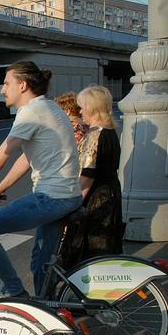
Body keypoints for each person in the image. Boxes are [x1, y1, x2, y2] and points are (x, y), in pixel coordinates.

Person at [0, 61, 82, 297]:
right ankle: (47, 311)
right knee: (41, 263)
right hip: (68, 195)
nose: (2, 90)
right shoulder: (48, 106)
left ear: (23, 85)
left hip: (52, 198)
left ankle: (15, 297)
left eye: (6, 83)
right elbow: (26, 160)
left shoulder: (31, 112)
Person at [64, 85, 125, 263]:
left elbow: (88, 176)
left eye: (82, 106)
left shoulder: (95, 135)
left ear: (91, 108)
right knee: (106, 246)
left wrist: (73, 202)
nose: (80, 111)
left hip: (97, 198)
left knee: (91, 248)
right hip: (111, 192)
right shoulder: (110, 131)